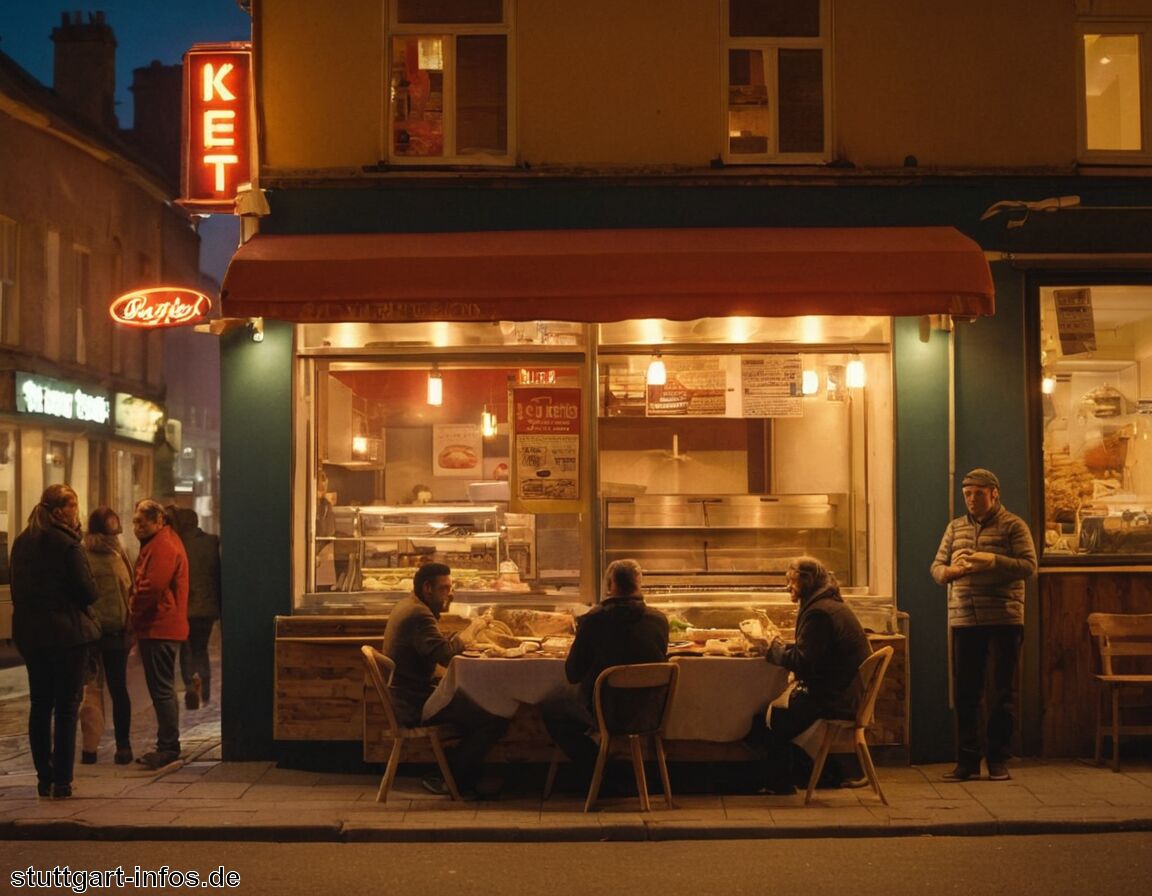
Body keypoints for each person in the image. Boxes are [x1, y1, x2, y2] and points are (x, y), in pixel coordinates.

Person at [931, 467, 1037, 782]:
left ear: (994, 494)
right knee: (966, 692)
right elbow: (936, 566)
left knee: (1002, 692)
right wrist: (950, 572)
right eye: (967, 493)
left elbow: (1029, 566)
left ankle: (998, 760)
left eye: (978, 493)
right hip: (964, 617)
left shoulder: (1013, 526)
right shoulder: (955, 528)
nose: (972, 499)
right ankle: (966, 762)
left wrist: (992, 561)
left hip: (1004, 617)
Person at [746, 556, 871, 795]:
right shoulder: (827, 605)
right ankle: (820, 775)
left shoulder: (819, 614)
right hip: (843, 690)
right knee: (770, 716)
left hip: (833, 698)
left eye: (792, 582)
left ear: (808, 581)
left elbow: (803, 663)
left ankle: (789, 782)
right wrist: (784, 648)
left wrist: (771, 650)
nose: (787, 587)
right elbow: (813, 653)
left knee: (763, 720)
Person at [540, 559, 669, 788]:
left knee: (551, 707)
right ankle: (623, 775)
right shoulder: (659, 620)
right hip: (649, 712)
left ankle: (601, 774)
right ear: (639, 583)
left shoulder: (592, 620)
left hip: (604, 712)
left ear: (610, 584)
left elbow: (573, 674)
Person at [381, 562, 505, 797]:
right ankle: (448, 777)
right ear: (428, 588)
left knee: (478, 706)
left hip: (409, 694)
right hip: (414, 703)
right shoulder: (418, 614)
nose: (451, 593)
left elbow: (435, 647)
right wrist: (473, 628)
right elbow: (446, 656)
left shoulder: (411, 605)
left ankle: (455, 774)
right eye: (445, 588)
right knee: (493, 718)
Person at [10, 485, 100, 799]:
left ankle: (43, 777)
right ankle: (62, 780)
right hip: (67, 635)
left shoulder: (22, 542)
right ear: (61, 510)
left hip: (31, 634)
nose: (77, 511)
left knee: (39, 704)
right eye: (74, 505)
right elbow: (88, 592)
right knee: (65, 708)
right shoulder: (67, 544)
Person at [130, 499, 190, 770]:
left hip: (160, 625)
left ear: (159, 521)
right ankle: (167, 743)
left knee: (162, 689)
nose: (137, 527)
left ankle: (168, 746)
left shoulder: (163, 545)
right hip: (160, 625)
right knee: (161, 688)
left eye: (143, 522)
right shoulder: (162, 541)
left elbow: (151, 587)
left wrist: (132, 611)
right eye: (135, 521)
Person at [78, 507, 134, 766]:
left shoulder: (83, 555)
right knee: (118, 689)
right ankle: (123, 746)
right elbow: (129, 590)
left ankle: (90, 749)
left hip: (90, 631)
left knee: (92, 690)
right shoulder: (117, 556)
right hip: (114, 632)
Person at [174, 508, 221, 710]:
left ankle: (191, 688)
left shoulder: (178, 544)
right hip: (208, 608)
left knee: (187, 651)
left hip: (184, 606)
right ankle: (206, 691)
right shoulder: (211, 542)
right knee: (201, 649)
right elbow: (217, 575)